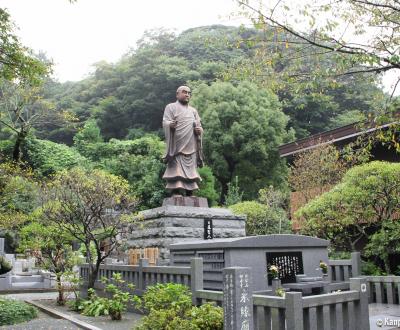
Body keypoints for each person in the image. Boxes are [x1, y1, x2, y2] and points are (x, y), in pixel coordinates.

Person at [162, 85, 204, 196]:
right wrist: (170, 124)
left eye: (189, 93)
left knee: (191, 169)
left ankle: (190, 191)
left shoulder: (193, 111)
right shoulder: (170, 107)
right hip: (177, 144)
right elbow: (165, 121)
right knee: (176, 168)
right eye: (184, 92)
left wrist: (199, 131)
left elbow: (199, 126)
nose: (187, 95)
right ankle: (176, 191)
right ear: (177, 94)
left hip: (191, 144)